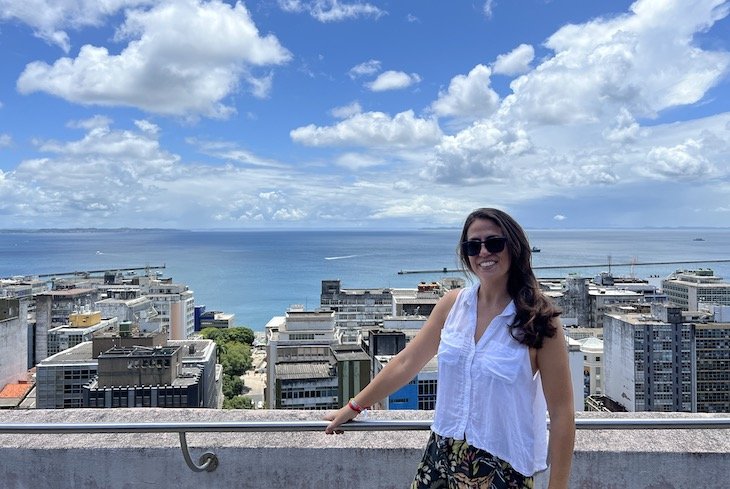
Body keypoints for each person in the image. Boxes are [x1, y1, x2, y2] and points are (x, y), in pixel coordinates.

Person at [325, 208, 575, 489]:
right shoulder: (452, 305)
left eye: (493, 243)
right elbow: (408, 362)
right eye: (473, 246)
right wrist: (355, 406)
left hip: (504, 467)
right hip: (441, 456)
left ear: (513, 247)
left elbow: (562, 412)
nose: (483, 252)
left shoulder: (539, 320)